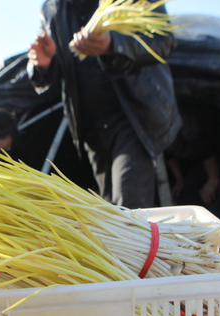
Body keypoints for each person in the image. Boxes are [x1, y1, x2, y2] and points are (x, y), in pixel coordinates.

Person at [27, 0, 182, 209]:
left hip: (132, 118)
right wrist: (45, 63)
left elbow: (164, 41)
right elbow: (47, 69)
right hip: (92, 132)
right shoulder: (51, 8)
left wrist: (113, 44)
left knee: (128, 209)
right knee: (109, 212)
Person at [165, 104, 220, 222]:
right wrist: (179, 180)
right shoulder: (149, 128)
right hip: (199, 160)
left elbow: (203, 146)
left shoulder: (179, 119)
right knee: (186, 195)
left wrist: (213, 179)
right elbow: (167, 154)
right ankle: (193, 228)